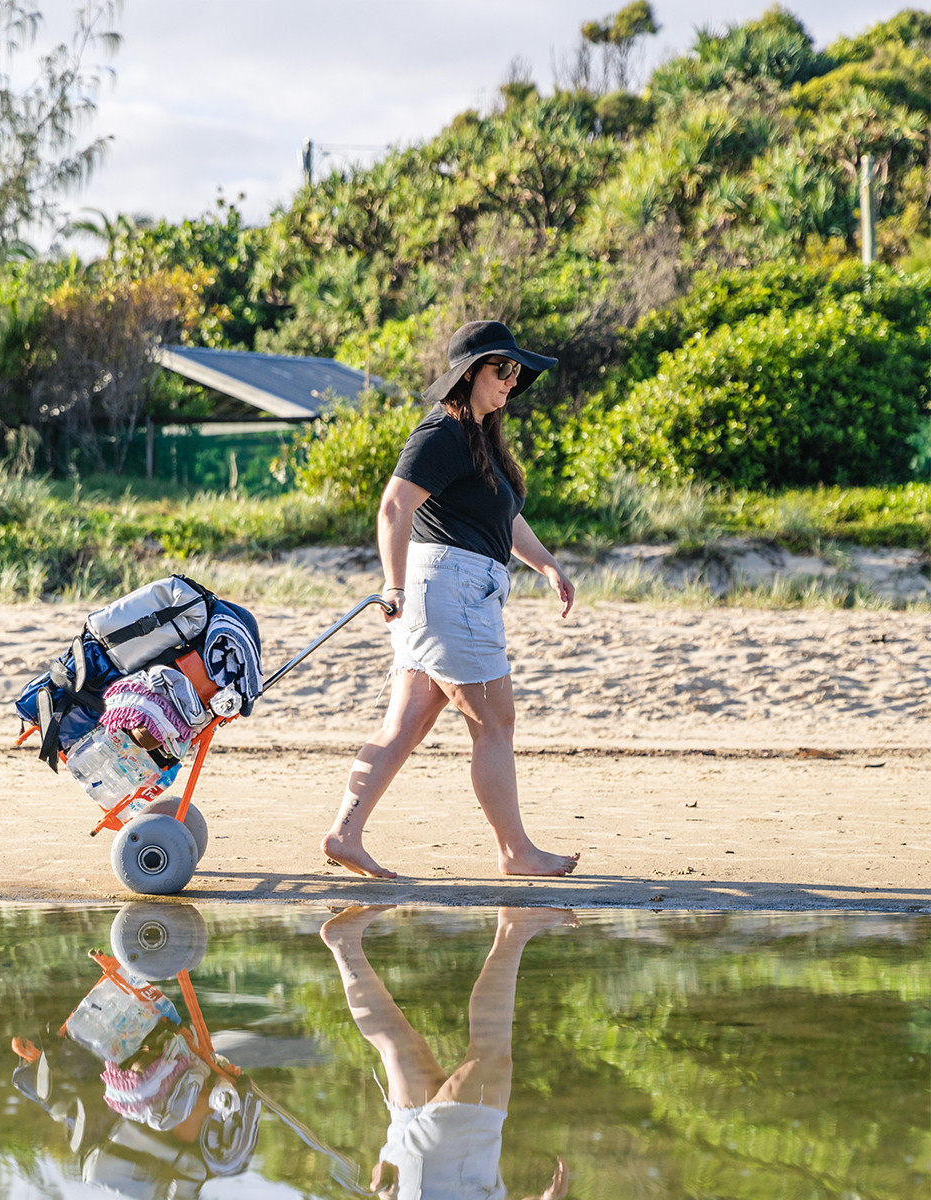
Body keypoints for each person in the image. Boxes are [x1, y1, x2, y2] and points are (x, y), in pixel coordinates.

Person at [322, 320, 581, 880]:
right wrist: (392, 586)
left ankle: (345, 834)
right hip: (449, 590)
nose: (513, 380)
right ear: (469, 375)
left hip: (452, 590)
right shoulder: (441, 431)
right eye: (503, 368)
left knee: (408, 722)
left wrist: (549, 565)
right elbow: (394, 507)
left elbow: (503, 518)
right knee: (496, 721)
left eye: (517, 371)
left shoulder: (479, 438)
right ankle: (516, 852)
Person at [320, 905, 573, 1200]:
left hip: (450, 1181)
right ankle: (344, 943)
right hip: (408, 1183)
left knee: (490, 1051)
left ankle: (513, 928)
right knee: (400, 1045)